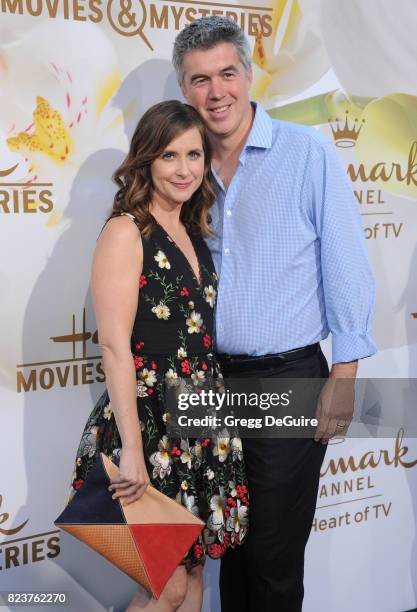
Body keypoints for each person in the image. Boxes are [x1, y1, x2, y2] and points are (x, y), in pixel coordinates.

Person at [172, 16, 377, 612]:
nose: (217, 93)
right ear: (185, 89)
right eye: (200, 79)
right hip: (207, 383)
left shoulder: (305, 154)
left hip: (287, 379)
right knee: (229, 544)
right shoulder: (183, 167)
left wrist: (344, 377)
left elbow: (346, 265)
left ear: (249, 73)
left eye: (227, 74)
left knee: (272, 557)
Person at [68, 100, 249, 612]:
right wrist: (131, 448)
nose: (185, 169)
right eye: (170, 155)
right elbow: (113, 345)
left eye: (194, 154)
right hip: (149, 424)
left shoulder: (192, 228)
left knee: (192, 576)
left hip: (201, 415)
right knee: (165, 585)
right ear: (147, 159)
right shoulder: (127, 229)